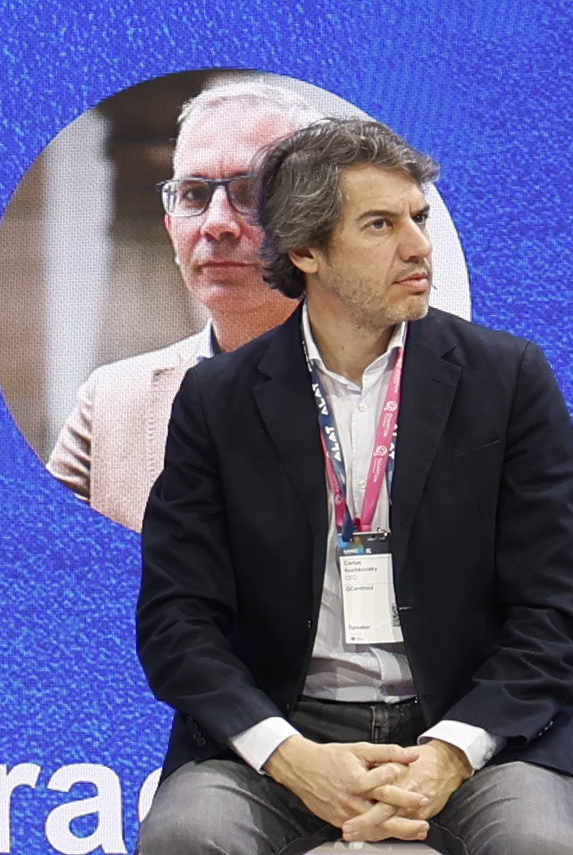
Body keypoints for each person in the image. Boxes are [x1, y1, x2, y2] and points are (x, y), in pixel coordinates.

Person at [132, 118, 573, 855]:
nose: (415, 248)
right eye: (381, 225)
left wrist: (449, 752)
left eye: (420, 223)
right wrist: (289, 755)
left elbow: (556, 615)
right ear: (304, 249)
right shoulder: (216, 402)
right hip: (289, 727)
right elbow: (177, 629)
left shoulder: (506, 381)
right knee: (181, 847)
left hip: (476, 730)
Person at [46, 73, 357, 531]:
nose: (216, 225)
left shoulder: (414, 397)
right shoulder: (110, 403)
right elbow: (39, 562)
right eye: (193, 194)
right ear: (172, 228)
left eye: (252, 194)